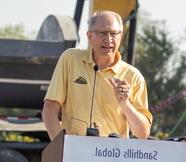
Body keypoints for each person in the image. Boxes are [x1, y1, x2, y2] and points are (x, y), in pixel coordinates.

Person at [42, 10, 152, 140]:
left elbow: (143, 133)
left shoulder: (133, 76)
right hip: (75, 154)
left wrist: (125, 103)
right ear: (89, 36)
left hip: (113, 156)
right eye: (103, 33)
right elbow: (49, 110)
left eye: (114, 33)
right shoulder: (70, 59)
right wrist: (62, 148)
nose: (109, 39)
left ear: (121, 36)